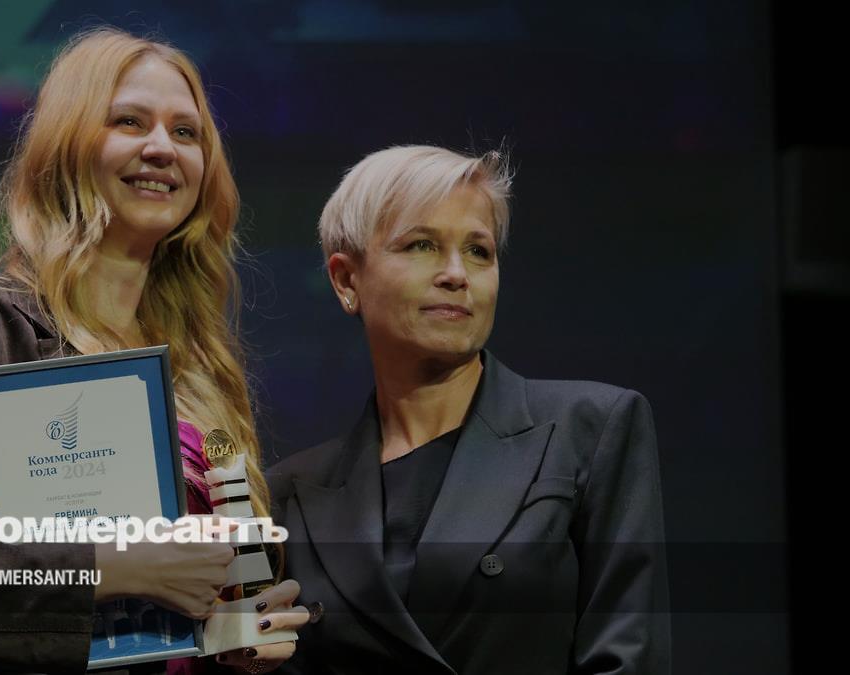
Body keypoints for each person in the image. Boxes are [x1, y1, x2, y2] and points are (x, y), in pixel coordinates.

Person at [0, 28, 305, 675]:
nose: (162, 147)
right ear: (66, 147)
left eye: (186, 132)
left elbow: (206, 595)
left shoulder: (203, 365)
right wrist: (107, 567)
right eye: (129, 122)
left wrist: (239, 630)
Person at [267, 145, 670, 674]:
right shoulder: (291, 495)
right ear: (346, 280)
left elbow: (627, 659)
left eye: (479, 251)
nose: (457, 274)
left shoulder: (592, 429)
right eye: (422, 245)